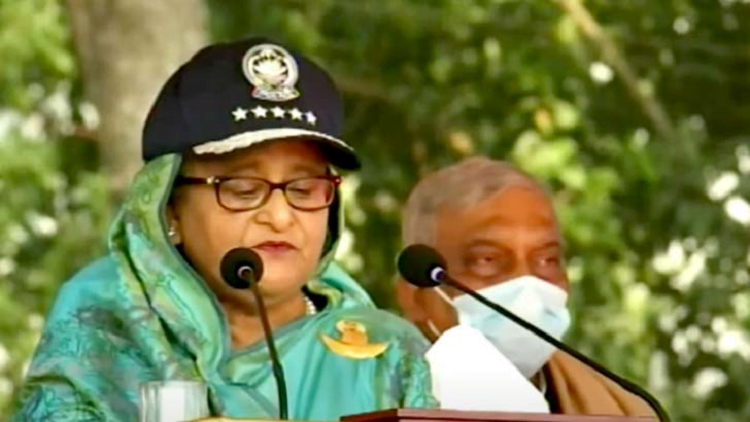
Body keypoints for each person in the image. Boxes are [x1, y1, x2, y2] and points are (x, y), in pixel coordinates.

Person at [13, 38, 437, 421]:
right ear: (167, 210)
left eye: (304, 189)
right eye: (242, 189)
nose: (280, 217)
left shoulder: (388, 355)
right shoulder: (101, 335)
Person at [396, 156, 656, 416]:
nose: (526, 282)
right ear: (416, 298)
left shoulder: (624, 411)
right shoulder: (378, 400)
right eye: (487, 260)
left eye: (547, 260)